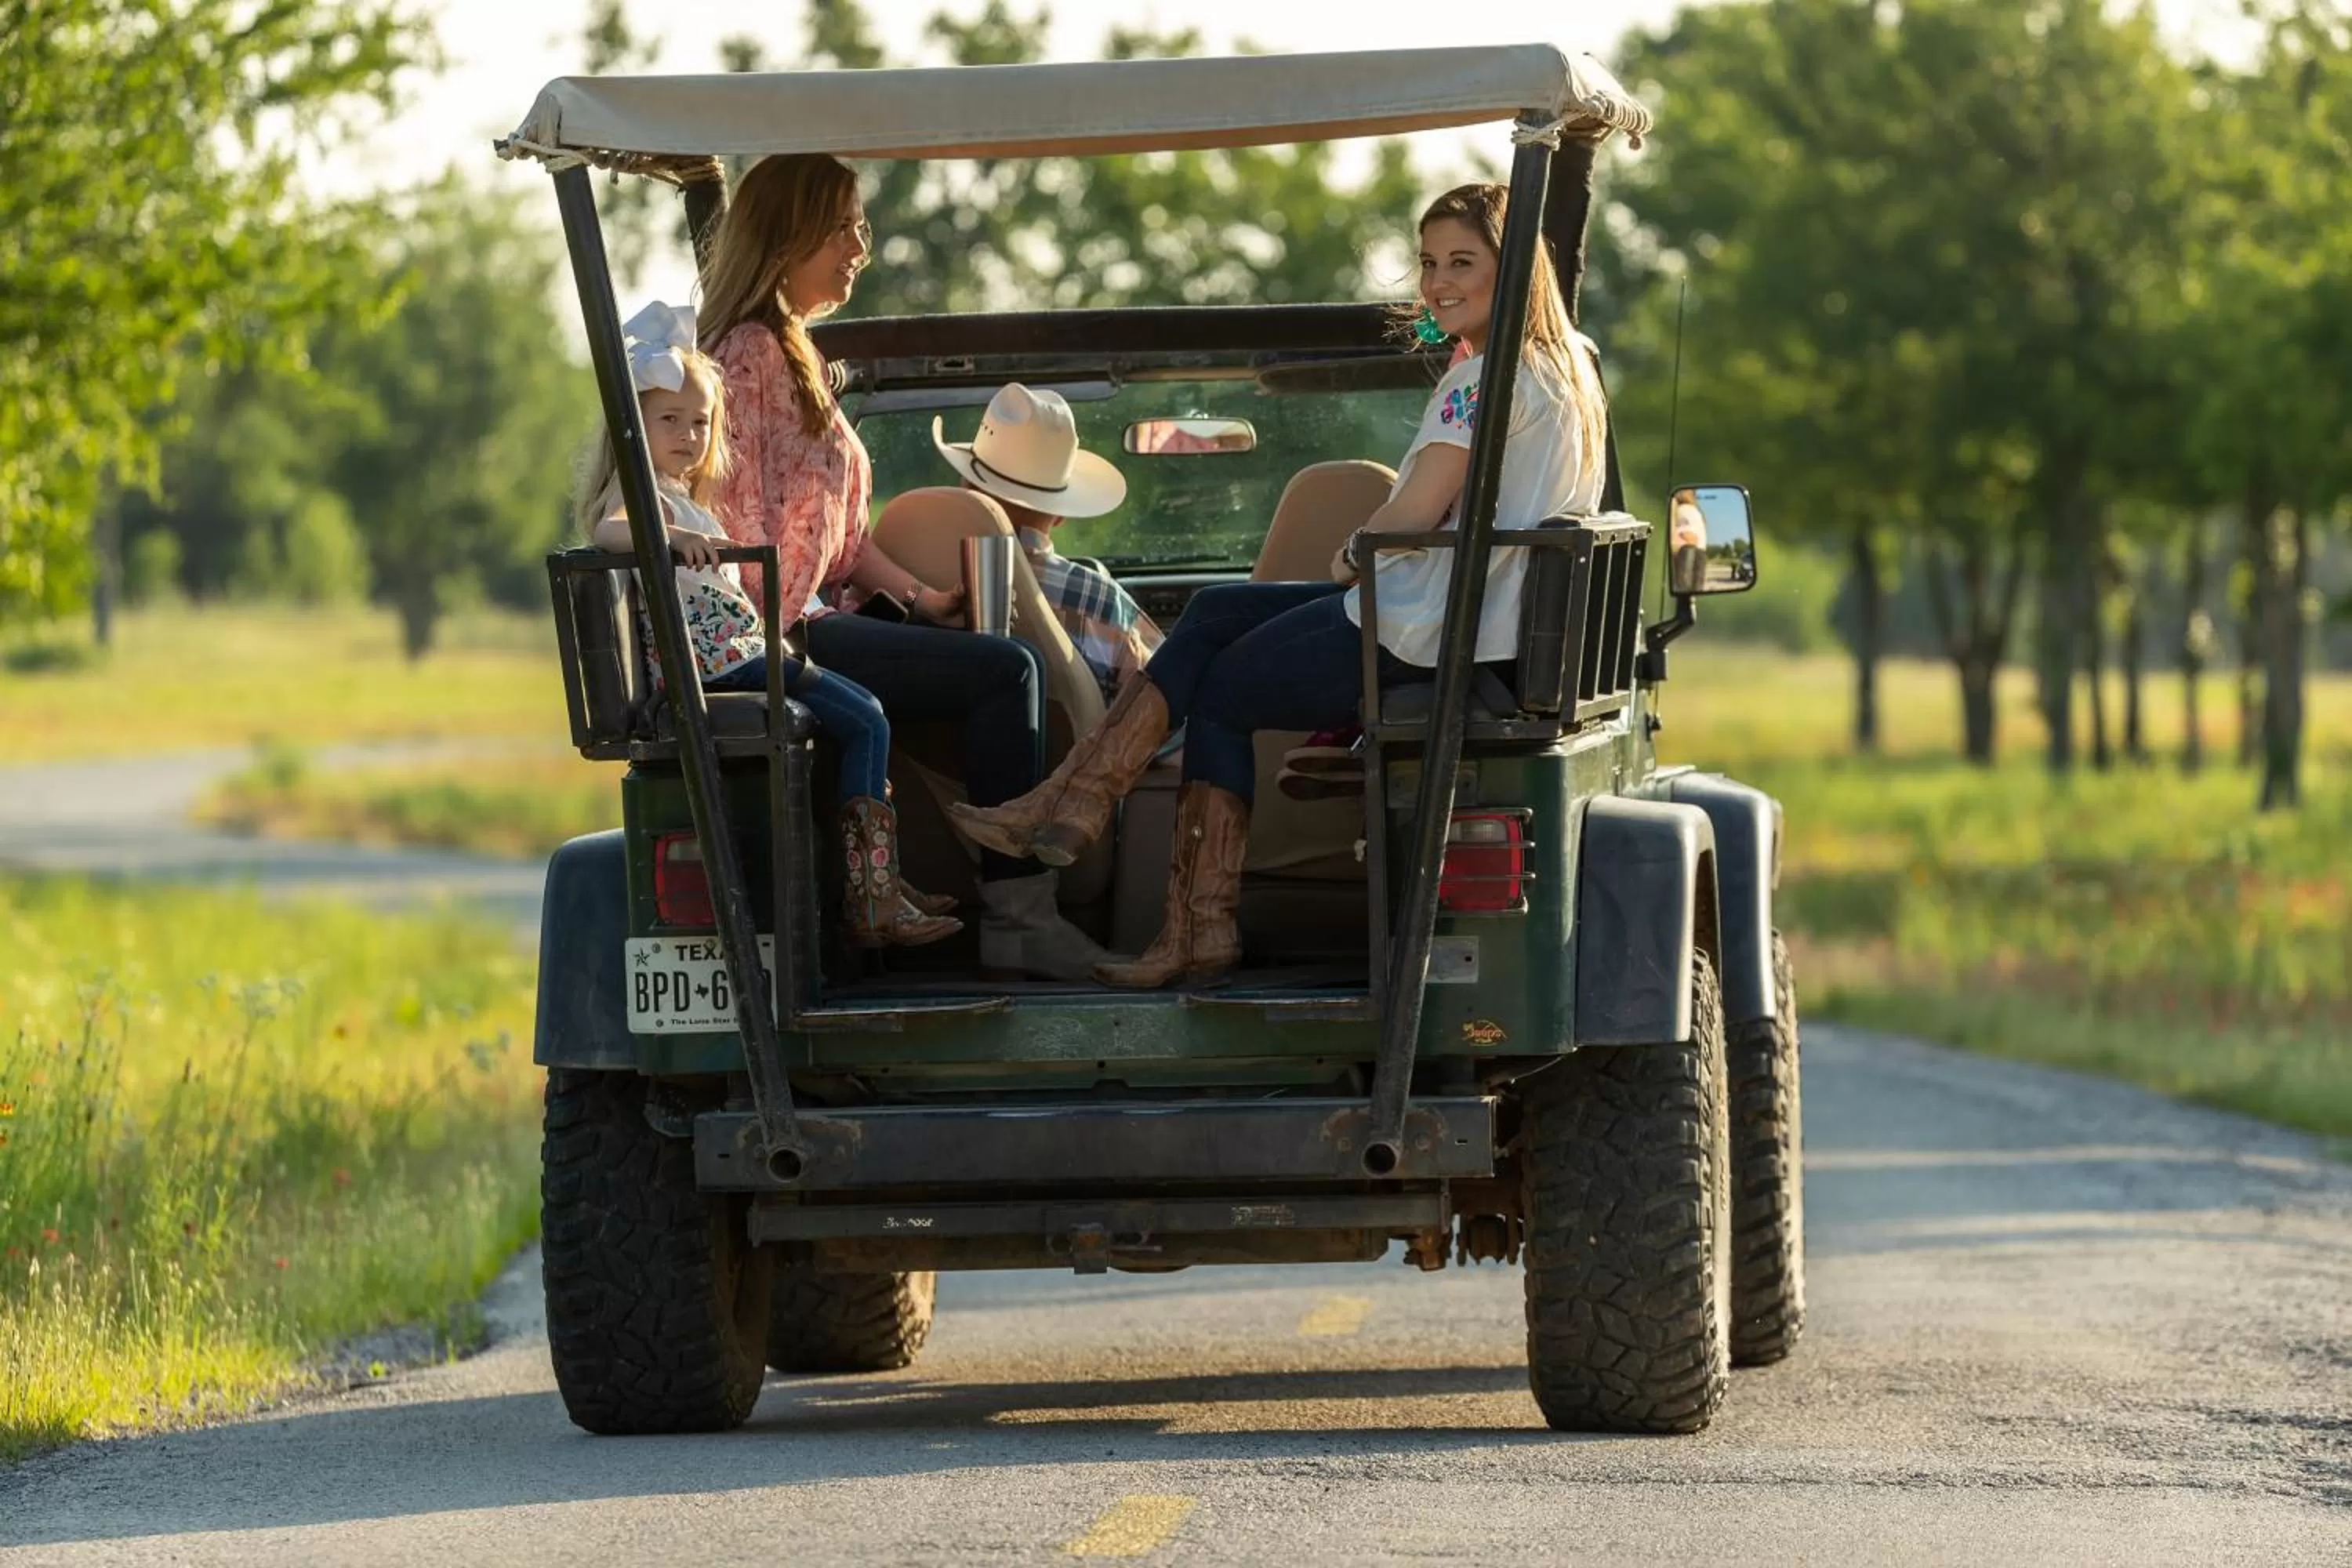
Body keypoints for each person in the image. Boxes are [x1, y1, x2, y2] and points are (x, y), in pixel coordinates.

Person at [950, 182, 1611, 988]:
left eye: (1463, 262)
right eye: (1429, 262)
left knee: (1221, 693)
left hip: (1420, 626)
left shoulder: (1479, 380)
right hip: (1463, 617)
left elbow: (1410, 513)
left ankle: (1188, 925)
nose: (1438, 282)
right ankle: (1077, 802)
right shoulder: (1567, 368)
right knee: (1216, 609)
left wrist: (1349, 554)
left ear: (1513, 271)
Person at [697, 153, 1105, 981]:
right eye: (843, 228)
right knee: (1008, 673)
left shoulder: (795, 352)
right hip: (776, 631)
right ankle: (1019, 918)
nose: (860, 248)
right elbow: (736, 527)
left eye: (860, 228)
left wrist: (926, 603)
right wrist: (789, 635)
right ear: (788, 236)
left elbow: (846, 543)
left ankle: (989, 905)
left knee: (1001, 663)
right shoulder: (746, 356)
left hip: (814, 616)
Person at [579, 301, 956, 949]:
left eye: (700, 422)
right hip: (723, 665)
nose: (689, 435)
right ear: (633, 429)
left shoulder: (681, 498)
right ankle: (873, 894)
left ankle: (876, 881)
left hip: (738, 654)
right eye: (669, 420)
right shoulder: (642, 499)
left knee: (858, 715)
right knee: (867, 716)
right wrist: (667, 539)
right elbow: (607, 532)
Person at [932, 383, 1162, 702]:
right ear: (1060, 515)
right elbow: (1162, 708)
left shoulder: (912, 579)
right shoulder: (1102, 602)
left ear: (966, 487)